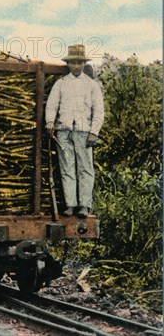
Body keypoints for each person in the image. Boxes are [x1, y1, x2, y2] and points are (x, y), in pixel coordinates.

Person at [45, 44, 104, 219]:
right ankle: (71, 204)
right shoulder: (61, 83)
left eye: (79, 63)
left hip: (84, 132)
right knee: (67, 168)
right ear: (68, 64)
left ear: (84, 63)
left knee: (85, 169)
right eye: (73, 63)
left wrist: (94, 131)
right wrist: (49, 121)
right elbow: (52, 105)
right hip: (64, 131)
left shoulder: (91, 85)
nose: (76, 66)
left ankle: (84, 205)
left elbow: (99, 111)